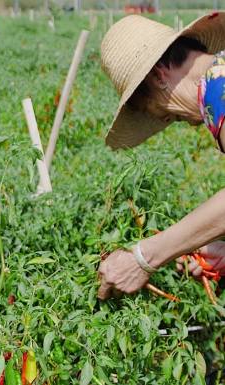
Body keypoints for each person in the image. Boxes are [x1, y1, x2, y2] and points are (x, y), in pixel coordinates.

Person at [96, 13, 225, 299]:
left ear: (158, 76)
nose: (166, 119)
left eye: (151, 108)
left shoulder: (221, 90)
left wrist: (143, 258)